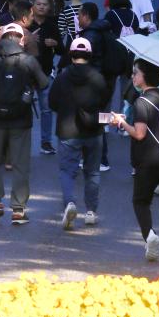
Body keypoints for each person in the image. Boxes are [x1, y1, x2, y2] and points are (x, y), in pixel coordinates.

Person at [112, 58, 159, 262]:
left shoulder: (141, 102)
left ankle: (150, 236)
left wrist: (121, 123)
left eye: (135, 72)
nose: (132, 76)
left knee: (140, 201)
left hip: (147, 159)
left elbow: (139, 134)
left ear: (144, 76)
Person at [0, 22, 47, 225]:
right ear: (21, 39)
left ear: (1, 38)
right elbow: (44, 83)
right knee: (20, 163)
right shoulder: (27, 60)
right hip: (21, 118)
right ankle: (18, 209)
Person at [49, 36, 108, 229]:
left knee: (67, 171)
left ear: (71, 54)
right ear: (89, 55)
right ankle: (91, 211)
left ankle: (70, 203)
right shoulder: (98, 77)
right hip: (93, 130)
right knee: (92, 172)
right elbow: (104, 103)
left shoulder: (62, 77)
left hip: (68, 130)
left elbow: (52, 103)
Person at [29, 0, 61, 155]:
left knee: (47, 109)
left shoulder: (52, 25)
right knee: (23, 108)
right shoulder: (26, 24)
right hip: (26, 72)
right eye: (38, 4)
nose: (41, 7)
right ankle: (22, 141)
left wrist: (55, 43)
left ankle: (46, 142)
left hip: (45, 72)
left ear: (49, 7)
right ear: (32, 5)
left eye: (45, 4)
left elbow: (62, 49)